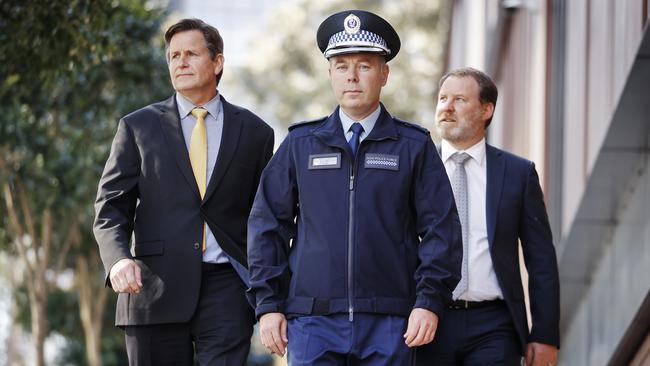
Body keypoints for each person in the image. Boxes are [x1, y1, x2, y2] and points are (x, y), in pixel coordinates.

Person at [247, 10, 462, 365]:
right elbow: (266, 225)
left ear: (384, 74)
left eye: (364, 65)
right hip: (312, 321)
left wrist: (428, 302)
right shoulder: (301, 145)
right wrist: (268, 304)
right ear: (330, 73)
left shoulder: (413, 146)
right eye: (342, 65)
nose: (352, 76)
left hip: (392, 321)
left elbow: (442, 231)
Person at [93, 18, 274, 365]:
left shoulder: (256, 133)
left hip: (228, 290)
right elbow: (110, 206)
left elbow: (264, 218)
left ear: (217, 62)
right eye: (174, 56)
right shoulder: (137, 127)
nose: (180, 62)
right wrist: (117, 260)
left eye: (191, 53)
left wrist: (269, 297)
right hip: (152, 288)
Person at [416, 67, 560, 366]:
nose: (447, 107)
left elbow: (541, 258)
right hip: (427, 319)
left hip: (495, 325)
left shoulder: (518, 173)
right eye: (443, 98)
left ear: (486, 109)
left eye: (459, 99)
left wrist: (545, 334)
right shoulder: (414, 168)